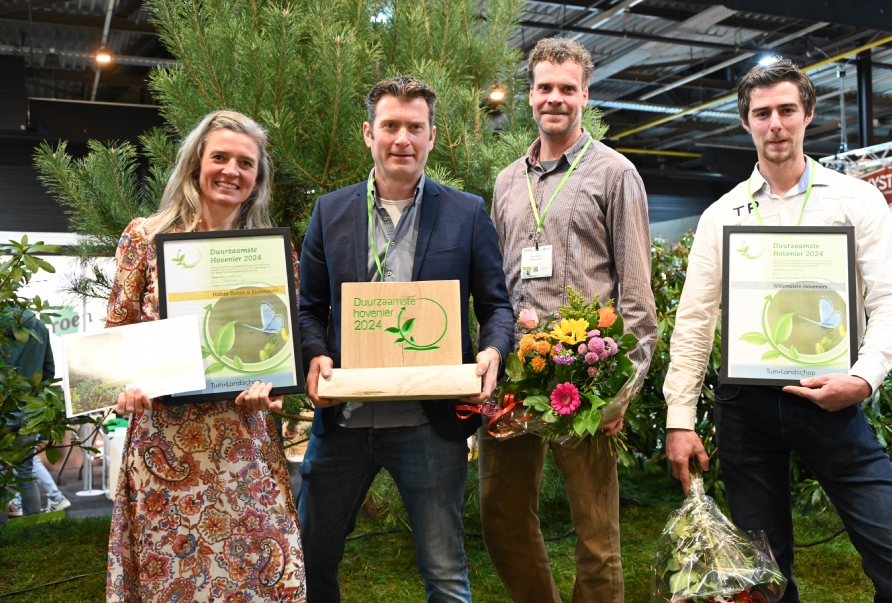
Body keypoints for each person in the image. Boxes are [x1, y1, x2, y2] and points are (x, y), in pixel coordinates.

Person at [663, 58, 892, 602]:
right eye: (762, 114)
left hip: (830, 395)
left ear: (808, 114)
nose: (776, 124)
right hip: (745, 406)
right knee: (764, 579)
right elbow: (693, 322)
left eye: (787, 110)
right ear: (746, 123)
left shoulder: (855, 201)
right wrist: (679, 418)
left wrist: (863, 379)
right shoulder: (722, 215)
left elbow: (890, 302)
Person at [298, 75, 514, 602]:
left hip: (426, 423)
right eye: (391, 125)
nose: (403, 139)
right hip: (343, 420)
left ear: (432, 136)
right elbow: (309, 308)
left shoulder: (466, 212)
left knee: (445, 574)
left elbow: (496, 306)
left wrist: (492, 352)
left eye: (415, 127)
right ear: (368, 133)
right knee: (308, 559)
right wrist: (316, 355)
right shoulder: (330, 211)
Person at [480, 38, 657, 603]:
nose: (554, 98)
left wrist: (622, 388)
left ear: (584, 94)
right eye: (544, 88)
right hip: (514, 374)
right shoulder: (507, 182)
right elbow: (495, 284)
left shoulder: (615, 174)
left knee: (596, 535)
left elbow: (636, 295)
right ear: (530, 95)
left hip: (584, 379)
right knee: (501, 516)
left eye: (566, 89)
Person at [104, 110, 305, 602]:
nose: (231, 171)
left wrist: (273, 392)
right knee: (172, 581)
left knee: (259, 576)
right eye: (220, 157)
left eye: (245, 163)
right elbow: (115, 337)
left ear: (257, 178)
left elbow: (281, 348)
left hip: (243, 448)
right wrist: (123, 390)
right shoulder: (144, 239)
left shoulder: (275, 254)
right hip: (162, 450)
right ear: (196, 163)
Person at [2, 310, 56, 522]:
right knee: (26, 471)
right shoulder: (38, 323)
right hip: (31, 408)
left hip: (4, 406)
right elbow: (48, 369)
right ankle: (32, 530)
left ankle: (4, 536)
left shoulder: (2, 321)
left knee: (2, 475)